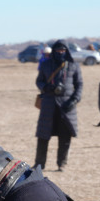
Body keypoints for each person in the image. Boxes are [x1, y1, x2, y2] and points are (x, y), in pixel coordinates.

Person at [34, 40, 83, 171]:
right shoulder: (45, 65)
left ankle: (62, 163)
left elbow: (79, 85)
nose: (60, 53)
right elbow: (39, 81)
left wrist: (74, 100)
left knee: (65, 137)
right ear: (53, 51)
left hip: (67, 107)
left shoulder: (73, 65)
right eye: (58, 51)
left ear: (66, 51)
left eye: (63, 50)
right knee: (43, 137)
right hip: (49, 105)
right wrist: (47, 87)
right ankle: (39, 164)